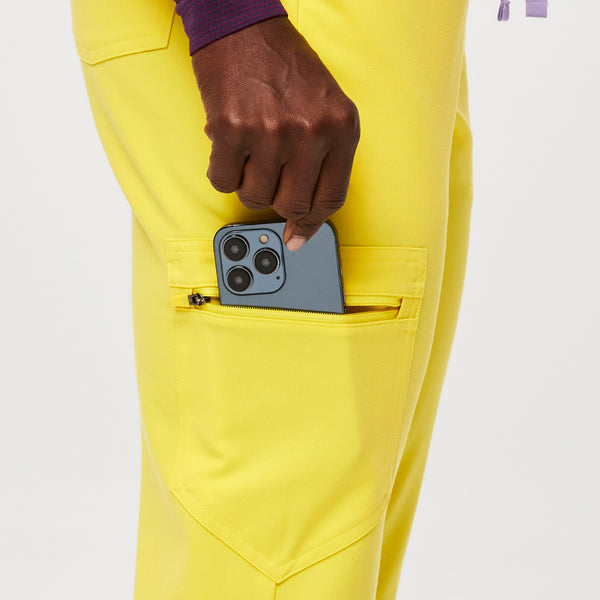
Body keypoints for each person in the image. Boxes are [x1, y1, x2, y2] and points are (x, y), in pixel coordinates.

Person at [69, 0, 480, 597]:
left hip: (391, 43)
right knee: (282, 549)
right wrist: (232, 16)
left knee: (339, 548)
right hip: (292, 33)